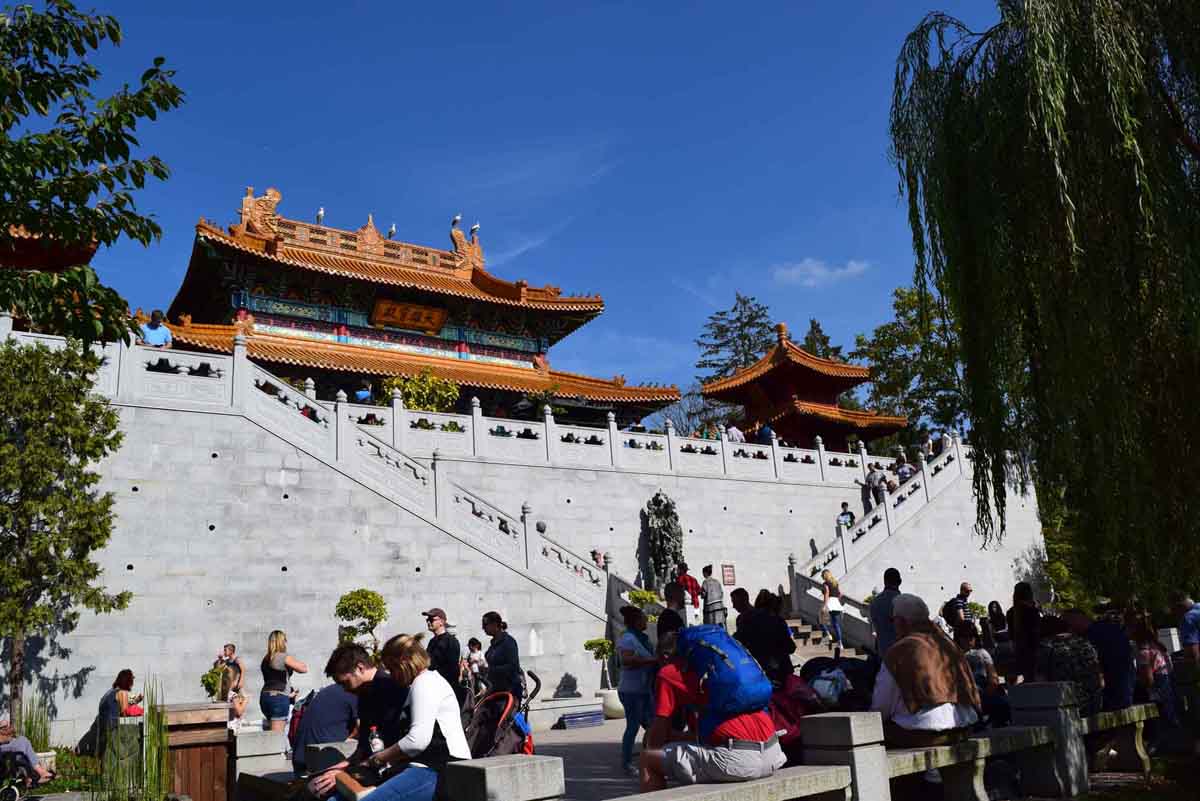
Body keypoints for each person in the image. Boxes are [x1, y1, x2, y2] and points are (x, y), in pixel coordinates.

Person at [640, 631, 785, 791]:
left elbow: (658, 733)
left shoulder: (669, 673)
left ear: (666, 656)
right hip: (773, 752)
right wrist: (676, 736)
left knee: (648, 760)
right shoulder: (717, 676)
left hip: (737, 761)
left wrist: (653, 748)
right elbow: (701, 737)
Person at [361, 634, 471, 801]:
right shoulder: (427, 681)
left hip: (438, 770)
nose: (392, 674)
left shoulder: (424, 683)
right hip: (435, 768)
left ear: (405, 662)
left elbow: (417, 741)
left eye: (392, 668)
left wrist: (378, 758)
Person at [870, 594, 980, 747]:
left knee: (870, 734)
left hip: (924, 733)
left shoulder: (900, 651)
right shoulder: (950, 644)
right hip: (964, 728)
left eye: (893, 620)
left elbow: (882, 706)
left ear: (901, 621)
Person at [305, 644, 411, 798]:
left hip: (388, 770)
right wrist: (341, 766)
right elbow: (364, 748)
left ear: (360, 668)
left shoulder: (391, 689)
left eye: (345, 683)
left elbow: (392, 747)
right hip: (371, 767)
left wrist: (346, 773)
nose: (345, 690)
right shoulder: (364, 694)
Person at [1064, 607, 1133, 712]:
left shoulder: (1089, 638)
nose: (1068, 628)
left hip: (1109, 698)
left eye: (1068, 623)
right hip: (1125, 695)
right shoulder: (1112, 629)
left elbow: (1096, 672)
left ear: (1076, 619)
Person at [1034, 616, 1104, 717]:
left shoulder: (1046, 646)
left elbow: (1040, 683)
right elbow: (1100, 677)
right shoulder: (1086, 643)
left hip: (1069, 709)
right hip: (1094, 705)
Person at [617, 606, 657, 775]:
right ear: (635, 622)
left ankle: (650, 757)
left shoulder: (644, 639)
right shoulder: (628, 639)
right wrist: (651, 661)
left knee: (652, 725)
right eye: (642, 618)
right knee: (633, 726)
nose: (645, 621)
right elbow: (626, 661)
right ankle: (626, 763)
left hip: (644, 689)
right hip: (631, 691)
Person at [291, 682, 358, 776]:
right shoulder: (355, 691)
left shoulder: (331, 690)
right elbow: (362, 728)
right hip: (322, 763)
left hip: (300, 756)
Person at [1128, 615, 1180, 730]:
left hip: (1159, 693)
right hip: (1170, 688)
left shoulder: (1143, 652)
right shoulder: (1159, 646)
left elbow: (1148, 680)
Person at [954, 622, 1010, 727]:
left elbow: (993, 679)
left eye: (972, 636)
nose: (969, 640)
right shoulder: (954, 655)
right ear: (958, 638)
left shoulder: (982, 653)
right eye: (965, 637)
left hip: (983, 692)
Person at [734, 590, 796, 683]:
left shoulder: (744, 619)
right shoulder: (777, 621)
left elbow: (738, 644)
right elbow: (791, 647)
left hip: (757, 671)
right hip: (780, 671)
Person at [261, 629, 308, 732]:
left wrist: (288, 694)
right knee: (276, 738)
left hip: (265, 697)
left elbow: (273, 680)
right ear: (282, 641)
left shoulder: (266, 659)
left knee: (271, 734)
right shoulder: (282, 657)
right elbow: (303, 669)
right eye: (285, 640)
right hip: (278, 699)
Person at [423, 608, 464, 706]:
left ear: (441, 621)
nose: (428, 621)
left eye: (432, 619)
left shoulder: (451, 641)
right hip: (432, 688)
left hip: (445, 692)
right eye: (427, 620)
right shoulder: (432, 642)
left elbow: (453, 670)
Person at [481, 611, 522, 702]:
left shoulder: (508, 642)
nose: (483, 628)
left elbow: (512, 667)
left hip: (509, 692)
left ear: (495, 624)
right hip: (495, 690)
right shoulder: (494, 644)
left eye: (485, 624)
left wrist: (490, 670)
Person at [0, 717, 55, 784]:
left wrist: (4, 725)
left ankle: (32, 775)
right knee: (21, 745)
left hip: (7, 743)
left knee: (23, 740)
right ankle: (36, 773)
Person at [1007, 582, 1041, 683]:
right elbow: (1037, 633)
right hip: (1033, 651)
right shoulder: (1033, 611)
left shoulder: (1010, 612)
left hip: (1019, 650)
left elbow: (1011, 635)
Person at [869, 568, 903, 656]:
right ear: (900, 582)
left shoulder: (875, 602)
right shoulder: (902, 602)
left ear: (884, 582)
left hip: (882, 650)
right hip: (899, 652)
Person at [1171, 593, 1200, 662]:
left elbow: (1192, 652)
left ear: (1179, 606)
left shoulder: (1188, 618)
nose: (1174, 613)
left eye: (1173, 609)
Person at [821, 569, 844, 650]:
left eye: (822, 575)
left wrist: (825, 605)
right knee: (836, 624)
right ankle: (840, 643)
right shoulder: (835, 582)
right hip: (836, 603)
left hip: (829, 602)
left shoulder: (825, 584)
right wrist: (837, 600)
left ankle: (828, 634)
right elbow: (840, 594)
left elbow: (826, 594)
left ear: (824, 576)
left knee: (821, 620)